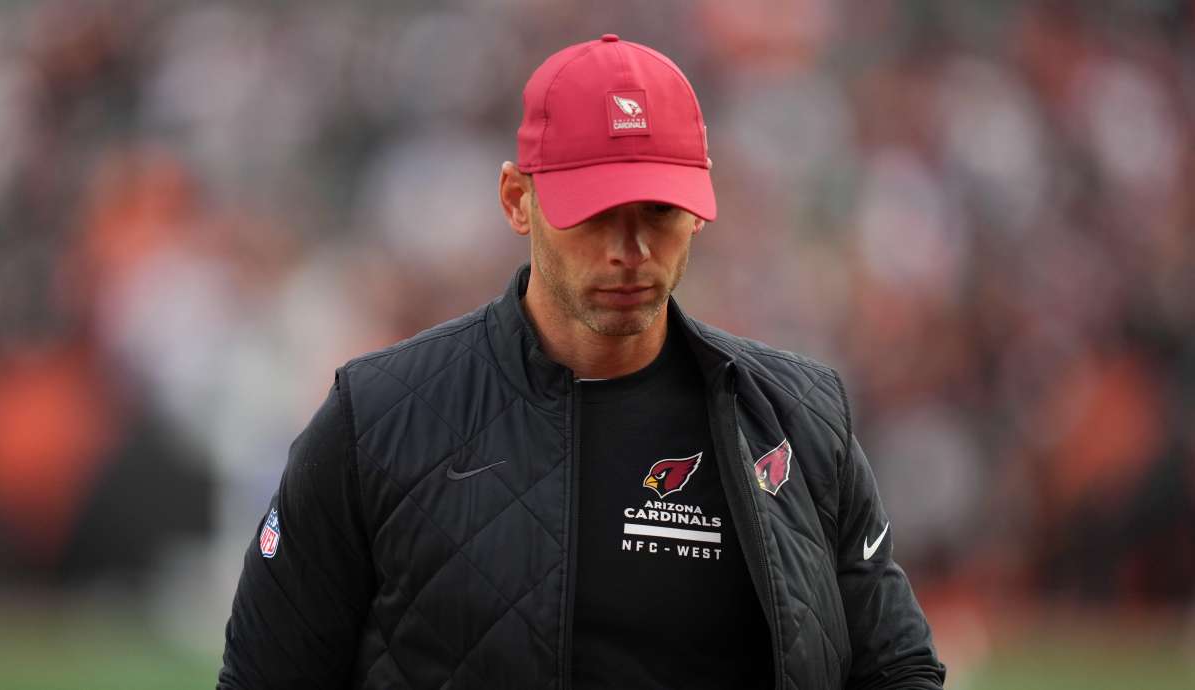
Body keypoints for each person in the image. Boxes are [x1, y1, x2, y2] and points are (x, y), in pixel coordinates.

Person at [218, 34, 945, 690]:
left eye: (659, 212)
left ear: (699, 208)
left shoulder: (801, 419)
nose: (629, 250)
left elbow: (897, 666)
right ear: (517, 200)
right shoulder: (376, 418)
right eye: (595, 211)